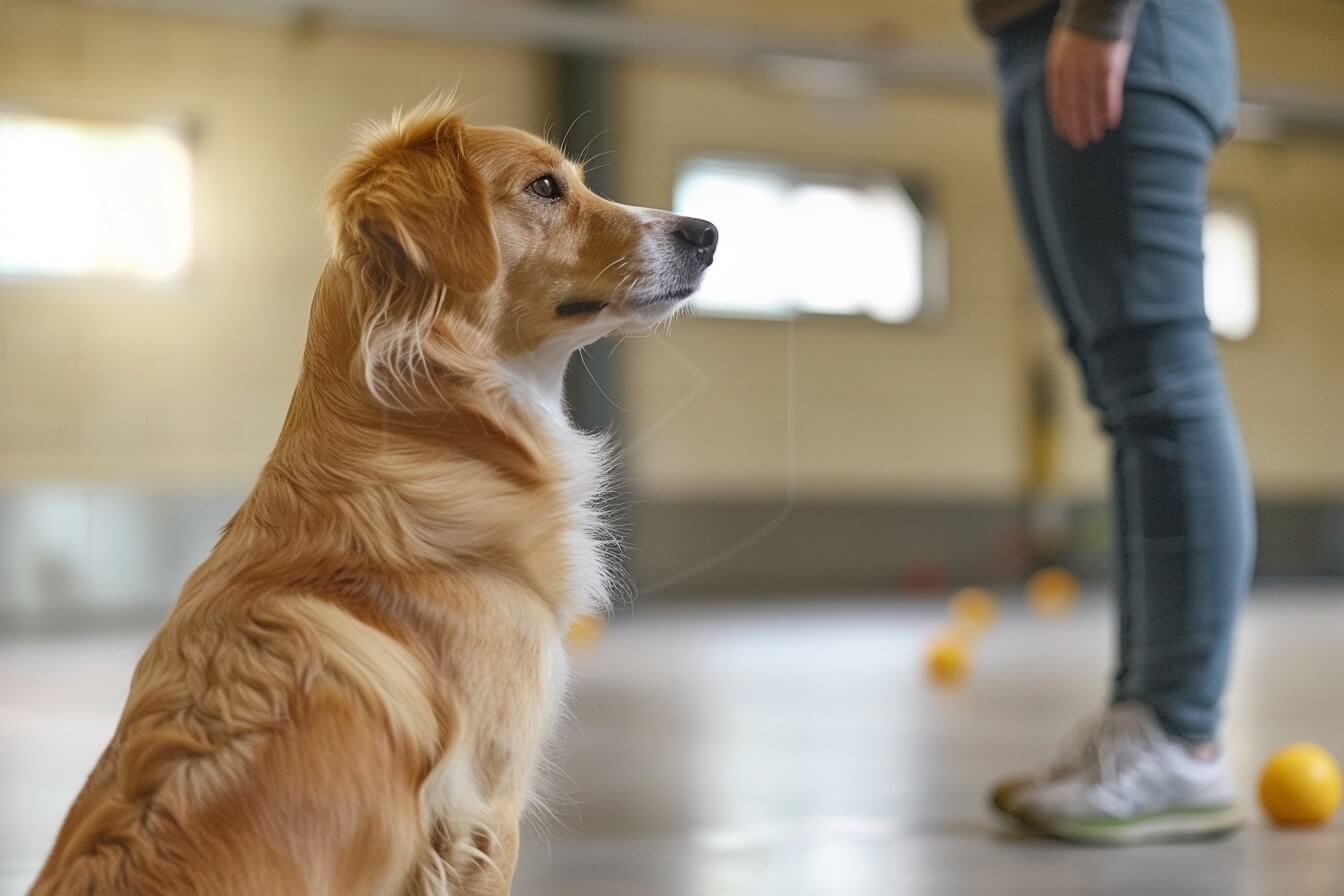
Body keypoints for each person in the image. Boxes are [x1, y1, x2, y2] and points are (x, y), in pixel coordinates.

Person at [969, 0, 1256, 844]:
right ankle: (1144, 719)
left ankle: (1180, 731)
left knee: (1158, 381)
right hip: (1034, 39)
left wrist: (1102, 15)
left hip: (1120, 26)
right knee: (1125, 392)